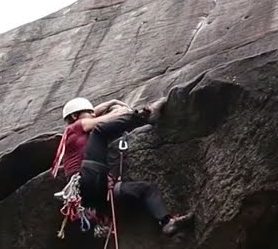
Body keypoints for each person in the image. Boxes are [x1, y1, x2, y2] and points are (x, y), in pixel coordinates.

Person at [51, 96, 193, 236]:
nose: (93, 115)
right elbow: (101, 121)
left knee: (146, 189)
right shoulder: (73, 128)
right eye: (89, 114)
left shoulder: (77, 132)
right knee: (99, 131)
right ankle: (145, 115)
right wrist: (123, 112)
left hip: (96, 195)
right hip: (86, 178)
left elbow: (93, 113)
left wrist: (111, 102)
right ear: (75, 116)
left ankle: (167, 222)